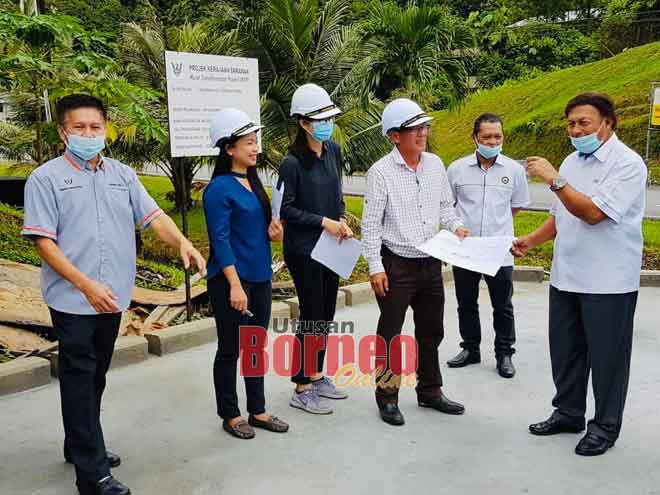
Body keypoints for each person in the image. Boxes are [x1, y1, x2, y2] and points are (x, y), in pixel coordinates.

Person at [21, 94, 206, 495]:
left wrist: (181, 243)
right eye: (78, 127)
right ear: (62, 132)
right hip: (73, 300)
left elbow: (154, 216)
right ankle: (93, 474)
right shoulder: (46, 178)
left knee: (96, 375)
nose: (88, 134)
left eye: (95, 127)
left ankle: (80, 442)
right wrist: (85, 285)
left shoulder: (121, 174)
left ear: (106, 130)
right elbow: (43, 243)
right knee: (80, 376)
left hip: (113, 296)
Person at [512, 92, 646, 456]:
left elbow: (592, 213)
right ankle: (568, 412)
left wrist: (554, 179)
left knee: (607, 359)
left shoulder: (628, 165)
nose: (575, 130)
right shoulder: (571, 162)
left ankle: (604, 426)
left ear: (608, 123)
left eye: (583, 122)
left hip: (608, 282)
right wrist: (531, 240)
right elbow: (561, 215)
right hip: (566, 276)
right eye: (570, 123)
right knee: (567, 352)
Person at [361, 98, 469, 426]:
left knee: (431, 330)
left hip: (431, 262)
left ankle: (430, 390)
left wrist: (456, 227)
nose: (423, 133)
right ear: (395, 136)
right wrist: (375, 266)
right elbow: (370, 224)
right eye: (414, 128)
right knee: (391, 333)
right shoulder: (380, 173)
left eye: (424, 127)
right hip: (396, 265)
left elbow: (445, 208)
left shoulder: (435, 164)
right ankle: (387, 396)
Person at [204, 108, 289, 439]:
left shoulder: (253, 182)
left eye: (256, 142)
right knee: (230, 348)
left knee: (255, 345)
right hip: (231, 283)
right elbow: (220, 241)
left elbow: (256, 229)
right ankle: (230, 414)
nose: (255, 148)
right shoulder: (218, 189)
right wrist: (235, 286)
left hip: (260, 277)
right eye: (248, 143)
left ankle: (258, 410)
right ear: (229, 148)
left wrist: (273, 230)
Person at [278, 83, 353, 415]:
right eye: (319, 119)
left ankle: (318, 374)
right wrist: (325, 222)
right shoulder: (291, 163)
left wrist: (340, 217)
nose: (326, 124)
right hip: (304, 248)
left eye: (329, 118)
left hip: (331, 245)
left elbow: (337, 192)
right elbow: (287, 211)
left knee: (327, 314)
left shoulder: (333, 151)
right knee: (311, 315)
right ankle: (301, 384)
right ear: (303, 123)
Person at [446, 113, 530, 378]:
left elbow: (515, 206)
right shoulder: (457, 169)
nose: (493, 142)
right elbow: (448, 206)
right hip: (466, 249)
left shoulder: (514, 171)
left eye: (497, 137)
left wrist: (496, 227)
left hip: (499, 250)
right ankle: (470, 348)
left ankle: (504, 354)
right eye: (487, 137)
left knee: (502, 305)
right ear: (474, 138)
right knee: (466, 303)